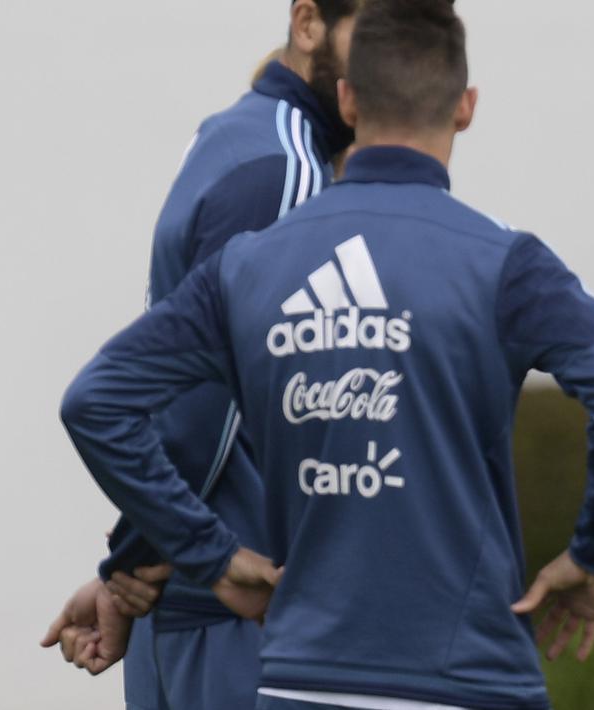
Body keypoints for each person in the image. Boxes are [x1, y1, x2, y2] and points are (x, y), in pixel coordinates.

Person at [59, 1, 594, 709]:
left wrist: (203, 553)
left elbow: (96, 401)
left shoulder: (253, 263)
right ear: (465, 108)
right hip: (465, 675)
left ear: (347, 99)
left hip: (299, 677)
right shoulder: (504, 260)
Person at [41, 2, 361, 708]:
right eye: (382, 31)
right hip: (236, 608)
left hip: (184, 599)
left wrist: (130, 567)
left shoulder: (233, 134)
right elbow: (208, 403)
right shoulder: (287, 170)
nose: (402, 62)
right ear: (307, 24)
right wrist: (139, 561)